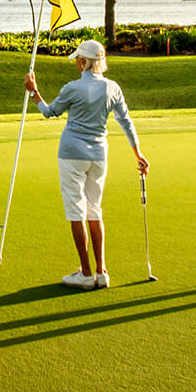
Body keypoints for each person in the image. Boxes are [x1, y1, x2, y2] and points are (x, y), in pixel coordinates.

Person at [25, 38, 148, 290]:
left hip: (72, 154)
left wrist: (33, 91)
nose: (76, 65)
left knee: (76, 211)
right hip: (99, 156)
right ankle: (101, 272)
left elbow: (50, 112)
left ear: (83, 62)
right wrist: (138, 154)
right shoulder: (113, 88)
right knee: (94, 209)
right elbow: (126, 122)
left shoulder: (72, 88)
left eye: (77, 61)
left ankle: (85, 273)